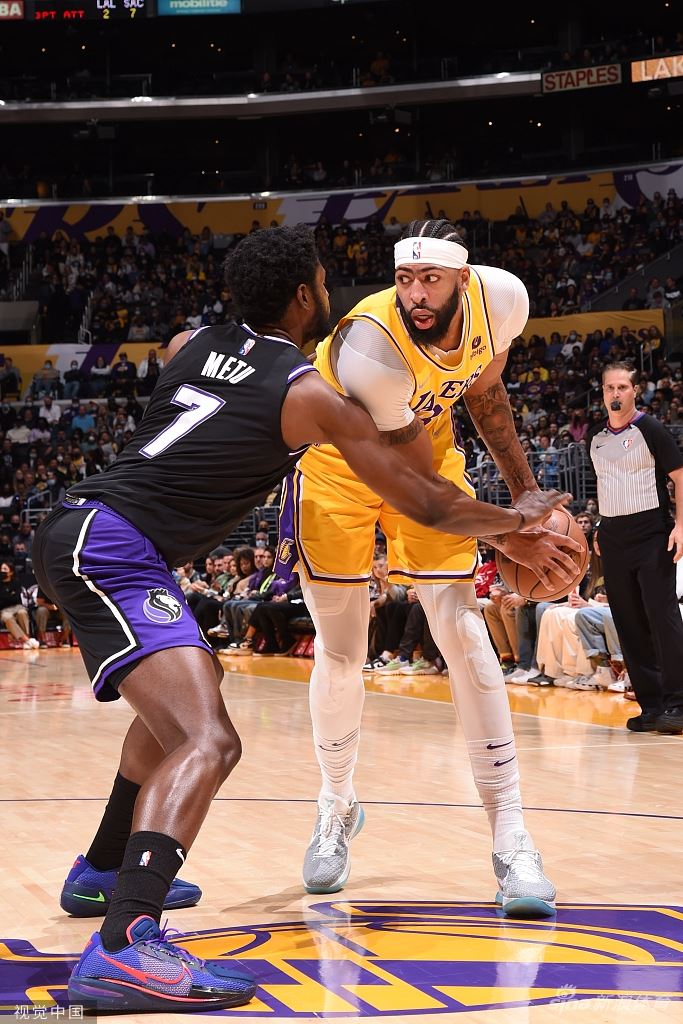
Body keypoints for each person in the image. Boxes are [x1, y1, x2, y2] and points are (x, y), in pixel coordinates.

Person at [32, 225, 568, 1014]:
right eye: (321, 281)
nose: (329, 292)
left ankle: (104, 872)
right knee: (208, 741)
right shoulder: (307, 391)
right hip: (112, 549)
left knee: (180, 702)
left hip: (86, 530)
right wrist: (515, 521)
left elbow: (190, 388)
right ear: (302, 297)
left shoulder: (190, 343)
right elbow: (425, 501)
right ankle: (126, 943)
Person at [280, 218, 582, 918]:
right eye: (405, 279)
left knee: (462, 630)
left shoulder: (502, 300)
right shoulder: (370, 349)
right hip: (337, 470)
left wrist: (526, 503)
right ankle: (335, 804)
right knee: (342, 650)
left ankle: (511, 837)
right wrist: (508, 536)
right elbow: (422, 491)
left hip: (428, 456)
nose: (415, 294)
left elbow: (487, 396)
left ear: (463, 281)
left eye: (431, 279)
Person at [588, 362, 683, 733]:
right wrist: (600, 526)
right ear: (602, 392)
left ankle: (678, 703)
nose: (616, 393)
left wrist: (680, 525)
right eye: (609, 387)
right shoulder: (594, 437)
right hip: (613, 536)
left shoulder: (650, 429)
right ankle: (652, 706)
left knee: (662, 618)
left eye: (622, 387)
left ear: (635, 391)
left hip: (651, 533)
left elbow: (679, 477)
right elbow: (606, 484)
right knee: (628, 622)